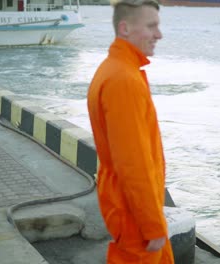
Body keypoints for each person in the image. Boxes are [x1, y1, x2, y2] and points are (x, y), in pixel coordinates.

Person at [87, 0, 174, 263]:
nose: (159, 34)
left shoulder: (114, 70)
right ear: (125, 28)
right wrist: (152, 225)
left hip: (127, 206)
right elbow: (133, 164)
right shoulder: (124, 80)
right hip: (133, 214)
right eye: (152, 26)